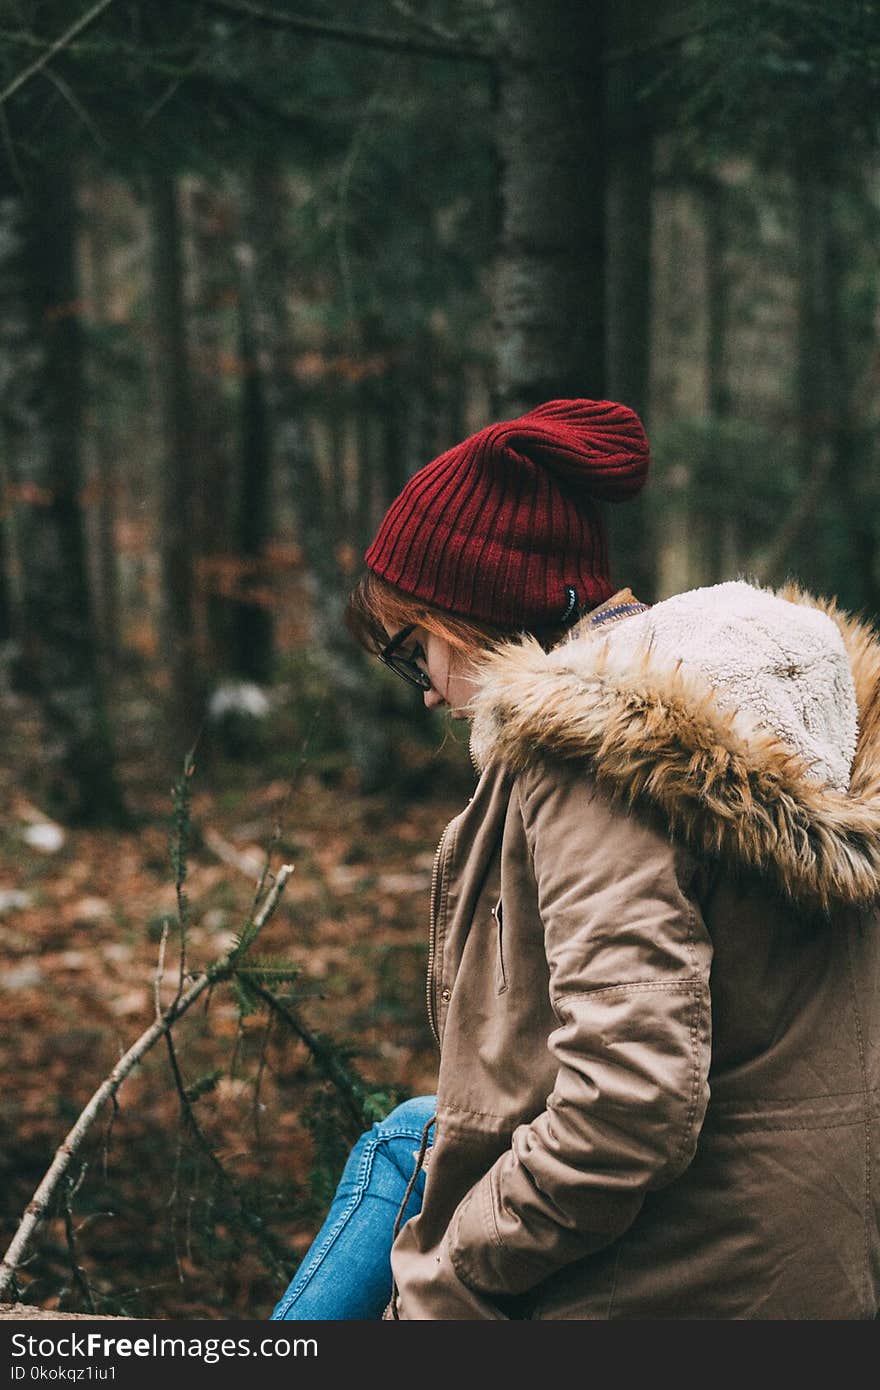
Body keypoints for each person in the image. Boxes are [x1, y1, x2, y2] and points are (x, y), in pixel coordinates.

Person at [271, 398, 880, 1321]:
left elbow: (624, 1108)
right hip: (808, 1257)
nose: (429, 694)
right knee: (410, 1137)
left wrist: (440, 1294)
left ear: (478, 612)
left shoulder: (594, 762)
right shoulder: (782, 725)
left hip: (681, 1288)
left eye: (412, 651)